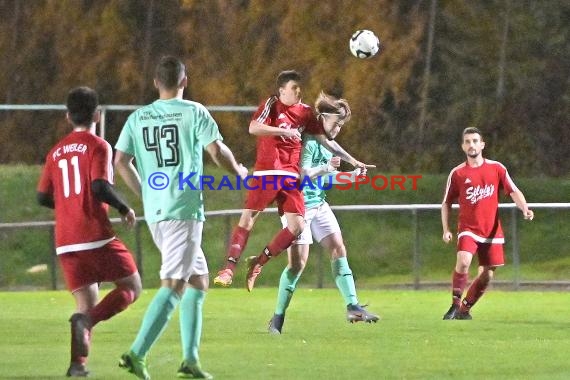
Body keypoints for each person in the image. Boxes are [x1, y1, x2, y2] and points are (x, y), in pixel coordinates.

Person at [115, 56, 247, 380]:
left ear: (156, 83)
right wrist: (240, 172)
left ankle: (190, 360)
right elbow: (216, 151)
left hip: (157, 211)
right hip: (183, 210)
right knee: (174, 285)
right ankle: (136, 354)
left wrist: (145, 192)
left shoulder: (138, 117)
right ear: (185, 81)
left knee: (197, 282)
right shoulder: (194, 112)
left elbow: (120, 161)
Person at [213, 70, 373, 291]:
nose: (299, 91)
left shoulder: (306, 113)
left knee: (297, 227)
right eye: (294, 88)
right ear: (281, 91)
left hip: (290, 178)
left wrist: (352, 160)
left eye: (300, 88)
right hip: (267, 174)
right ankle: (228, 269)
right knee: (248, 219)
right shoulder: (271, 105)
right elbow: (253, 128)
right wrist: (283, 131)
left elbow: (326, 142)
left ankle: (258, 263)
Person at [37, 86, 142, 377]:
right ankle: (87, 322)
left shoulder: (55, 151)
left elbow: (42, 197)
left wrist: (68, 205)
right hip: (94, 234)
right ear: (97, 114)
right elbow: (99, 186)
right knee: (132, 287)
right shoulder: (99, 146)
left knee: (85, 303)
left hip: (65, 241)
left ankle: (77, 366)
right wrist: (123, 207)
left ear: (68, 116)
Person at [268, 92, 379, 334]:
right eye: (335, 123)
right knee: (297, 264)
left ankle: (353, 307)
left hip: (318, 204)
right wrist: (327, 166)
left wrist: (350, 176)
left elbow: (325, 178)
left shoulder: (327, 145)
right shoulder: (306, 141)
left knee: (338, 248)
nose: (338, 129)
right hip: (296, 208)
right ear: (321, 118)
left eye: (341, 125)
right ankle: (277, 318)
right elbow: (303, 174)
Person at [441, 127, 534, 320]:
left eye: (475, 141)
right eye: (467, 141)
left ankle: (464, 310)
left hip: (491, 231)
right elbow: (446, 203)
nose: (471, 145)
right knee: (464, 261)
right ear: (462, 146)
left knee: (487, 275)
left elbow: (513, 191)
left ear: (482, 144)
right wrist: (446, 229)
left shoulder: (496, 168)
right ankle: (454, 305)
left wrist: (524, 208)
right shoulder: (457, 173)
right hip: (468, 229)